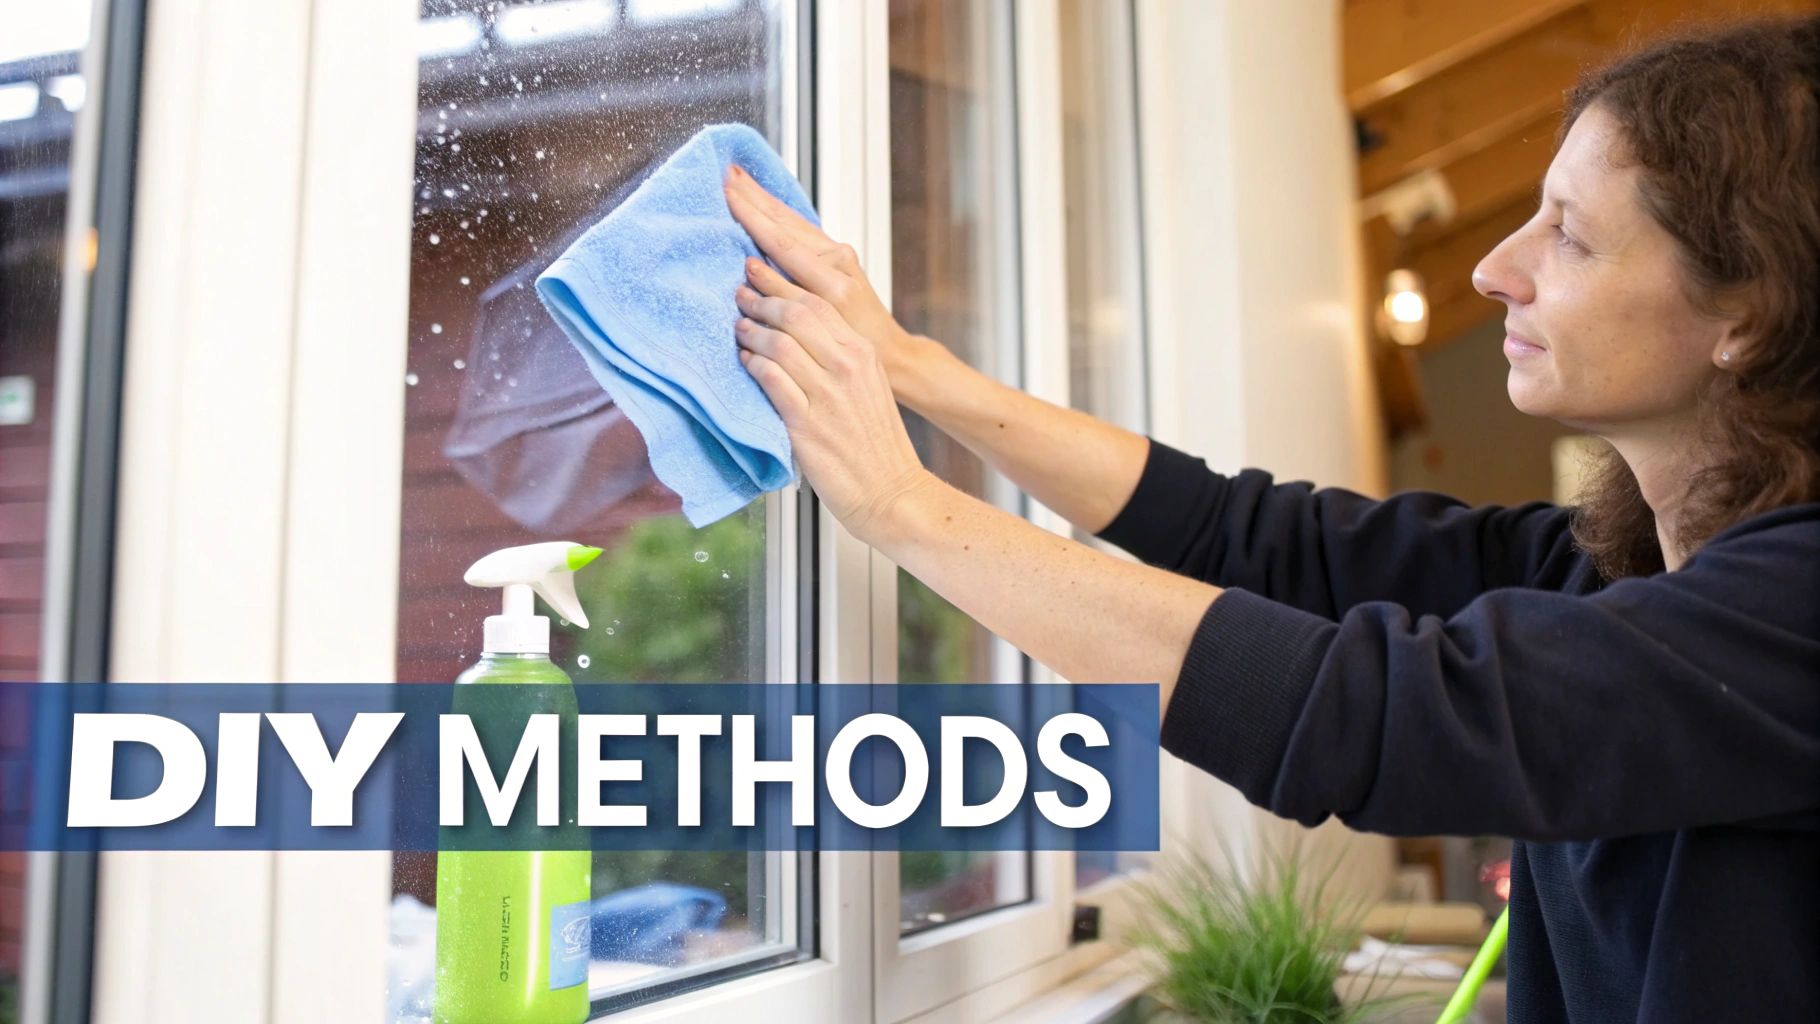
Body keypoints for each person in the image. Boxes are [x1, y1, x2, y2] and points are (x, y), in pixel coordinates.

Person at [720, 15, 1819, 1023]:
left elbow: (1369, 714)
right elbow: (1256, 538)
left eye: (1568, 238)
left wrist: (903, 505)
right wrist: (917, 373)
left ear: (1745, 311)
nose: (1492, 269)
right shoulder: (1610, 569)